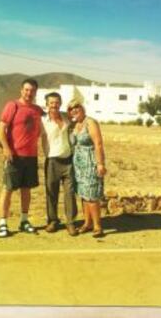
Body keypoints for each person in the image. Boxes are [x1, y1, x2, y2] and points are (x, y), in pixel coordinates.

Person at [0, 78, 43, 238]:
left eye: (32, 90)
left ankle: (24, 220)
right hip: (14, 156)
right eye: (26, 90)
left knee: (26, 189)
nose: (29, 93)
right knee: (8, 189)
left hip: (30, 156)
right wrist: (6, 148)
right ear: (21, 90)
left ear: (36, 92)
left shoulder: (37, 110)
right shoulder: (13, 105)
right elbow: (1, 128)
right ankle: (2, 223)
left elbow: (40, 130)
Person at [67, 99, 107, 238]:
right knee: (83, 195)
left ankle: (97, 226)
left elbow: (98, 144)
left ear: (82, 108)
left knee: (91, 195)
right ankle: (87, 223)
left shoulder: (90, 122)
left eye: (77, 107)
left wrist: (100, 163)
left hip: (90, 163)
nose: (74, 110)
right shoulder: (75, 124)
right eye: (71, 109)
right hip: (78, 165)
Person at [41, 92, 78, 236]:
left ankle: (70, 223)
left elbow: (79, 119)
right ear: (46, 105)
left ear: (60, 104)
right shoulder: (42, 121)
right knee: (51, 193)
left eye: (57, 102)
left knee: (69, 193)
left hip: (68, 160)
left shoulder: (67, 118)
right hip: (52, 161)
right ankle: (53, 221)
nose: (54, 105)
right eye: (51, 103)